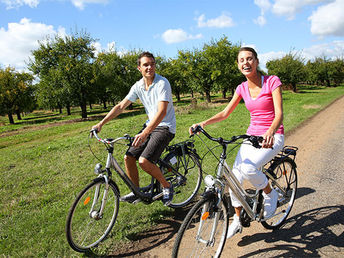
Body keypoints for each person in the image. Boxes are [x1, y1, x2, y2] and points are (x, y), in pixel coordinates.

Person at [189, 47, 284, 238]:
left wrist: (271, 131)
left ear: (256, 62)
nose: (246, 63)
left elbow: (279, 113)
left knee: (249, 170)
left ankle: (269, 193)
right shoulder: (241, 88)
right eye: (242, 60)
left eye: (249, 59)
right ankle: (237, 220)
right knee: (234, 179)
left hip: (274, 136)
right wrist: (202, 122)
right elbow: (225, 113)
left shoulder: (272, 81)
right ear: (238, 65)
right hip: (252, 137)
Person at [92, 51, 176, 205]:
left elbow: (162, 112)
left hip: (165, 126)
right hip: (150, 125)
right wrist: (101, 123)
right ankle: (136, 191)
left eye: (152, 64)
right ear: (139, 68)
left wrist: (145, 133)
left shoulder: (162, 83)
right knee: (128, 157)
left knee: (144, 161)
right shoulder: (138, 86)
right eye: (145, 65)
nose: (150, 67)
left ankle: (167, 186)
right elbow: (120, 106)